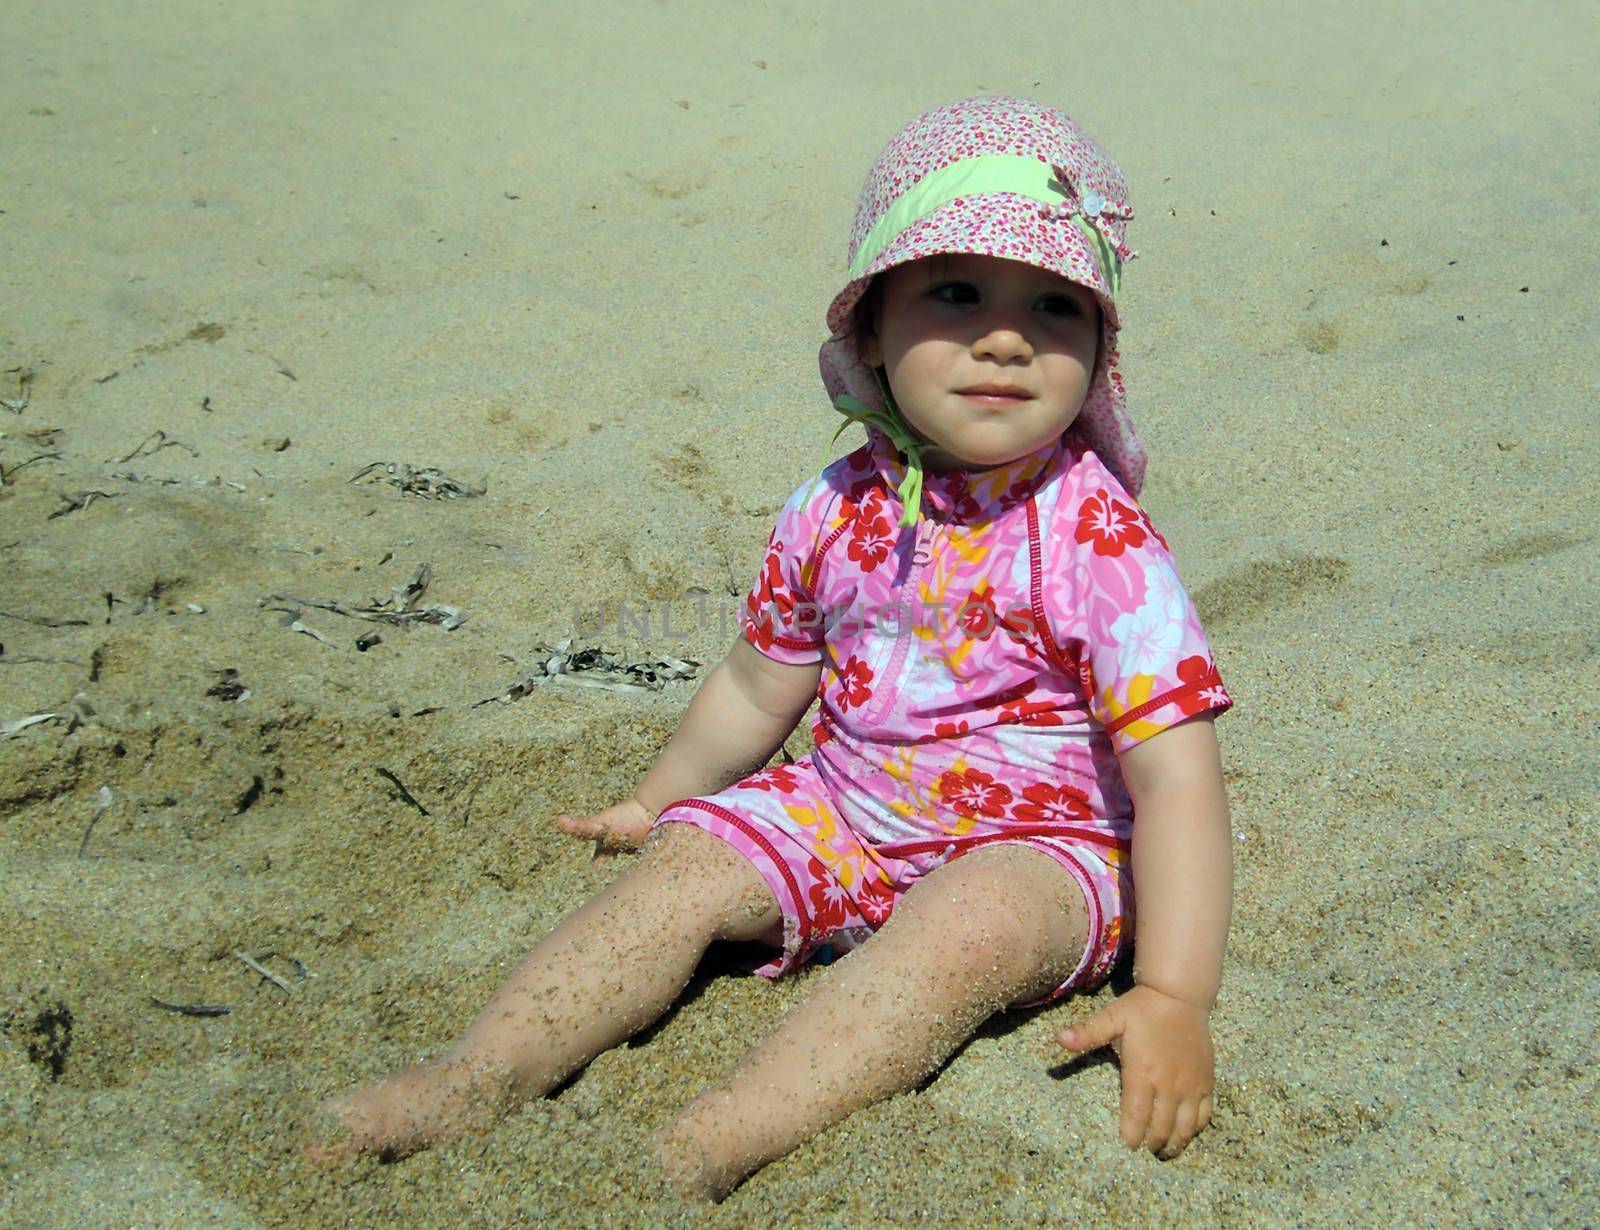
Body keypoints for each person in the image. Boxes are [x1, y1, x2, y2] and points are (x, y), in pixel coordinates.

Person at [307, 95, 1234, 1201]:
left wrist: (1175, 996)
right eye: (953, 291)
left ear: (1098, 348)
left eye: (1055, 306)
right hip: (844, 804)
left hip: (1040, 847)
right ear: (871, 330)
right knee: (684, 869)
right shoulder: (834, 507)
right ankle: (475, 1075)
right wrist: (660, 800)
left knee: (970, 929)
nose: (1004, 336)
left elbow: (1174, 776)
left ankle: (713, 1140)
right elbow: (759, 680)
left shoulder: (1099, 539)